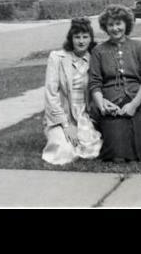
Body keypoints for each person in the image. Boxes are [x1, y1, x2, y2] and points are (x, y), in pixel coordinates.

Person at [89, 4, 141, 162]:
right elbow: (94, 83)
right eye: (110, 24)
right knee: (118, 156)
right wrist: (102, 105)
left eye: (118, 23)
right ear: (105, 27)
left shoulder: (138, 47)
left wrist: (134, 104)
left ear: (126, 24)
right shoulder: (98, 51)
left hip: (138, 101)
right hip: (112, 104)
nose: (115, 28)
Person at [41, 17, 103, 165]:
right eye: (77, 37)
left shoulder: (95, 59)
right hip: (62, 115)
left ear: (91, 38)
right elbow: (51, 94)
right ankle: (59, 135)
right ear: (71, 38)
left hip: (83, 114)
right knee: (64, 152)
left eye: (85, 37)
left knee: (91, 149)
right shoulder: (57, 58)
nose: (81, 41)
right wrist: (66, 125)